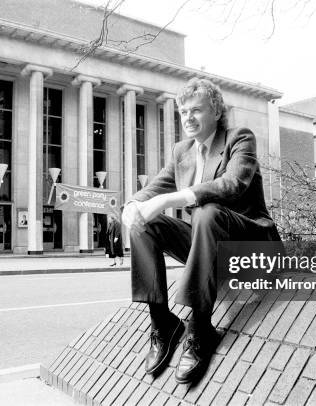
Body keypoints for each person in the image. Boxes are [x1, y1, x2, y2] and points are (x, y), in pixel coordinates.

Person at [122, 78, 281, 384]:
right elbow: (151, 189)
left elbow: (233, 184)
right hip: (211, 247)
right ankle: (162, 322)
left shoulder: (239, 138)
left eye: (196, 110)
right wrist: (133, 206)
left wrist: (170, 198)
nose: (189, 118)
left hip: (251, 248)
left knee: (207, 211)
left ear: (217, 111)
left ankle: (200, 327)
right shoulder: (182, 152)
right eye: (183, 112)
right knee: (146, 222)